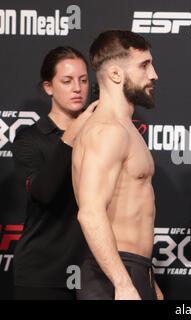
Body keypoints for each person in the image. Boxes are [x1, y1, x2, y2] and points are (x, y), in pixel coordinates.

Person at [72, 30, 162, 300]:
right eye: (144, 65)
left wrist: (148, 281)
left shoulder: (126, 129)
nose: (154, 74)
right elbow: (90, 213)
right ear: (115, 74)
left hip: (133, 271)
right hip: (111, 278)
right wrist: (122, 284)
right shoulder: (107, 131)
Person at [12, 46, 97, 300]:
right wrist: (73, 133)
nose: (77, 88)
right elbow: (43, 192)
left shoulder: (99, 135)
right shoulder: (30, 138)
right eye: (67, 81)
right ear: (49, 87)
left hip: (93, 274)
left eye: (83, 80)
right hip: (43, 274)